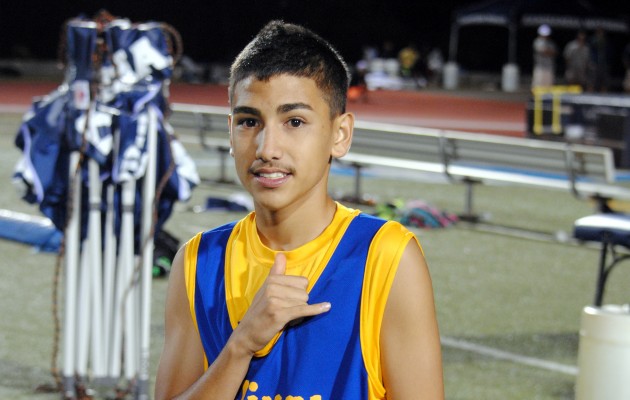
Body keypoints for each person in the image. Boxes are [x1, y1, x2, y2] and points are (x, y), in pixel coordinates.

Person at [155, 20, 444, 400]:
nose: (266, 147)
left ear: (339, 135)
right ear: (230, 132)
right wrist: (241, 344)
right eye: (248, 121)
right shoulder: (198, 263)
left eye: (294, 121)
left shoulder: (386, 257)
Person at [531, 24, 557, 88]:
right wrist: (548, 51)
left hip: (549, 67)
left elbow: (555, 52)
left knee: (548, 86)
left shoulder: (551, 43)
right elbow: (544, 52)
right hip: (540, 67)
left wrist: (548, 51)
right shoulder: (537, 41)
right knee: (537, 86)